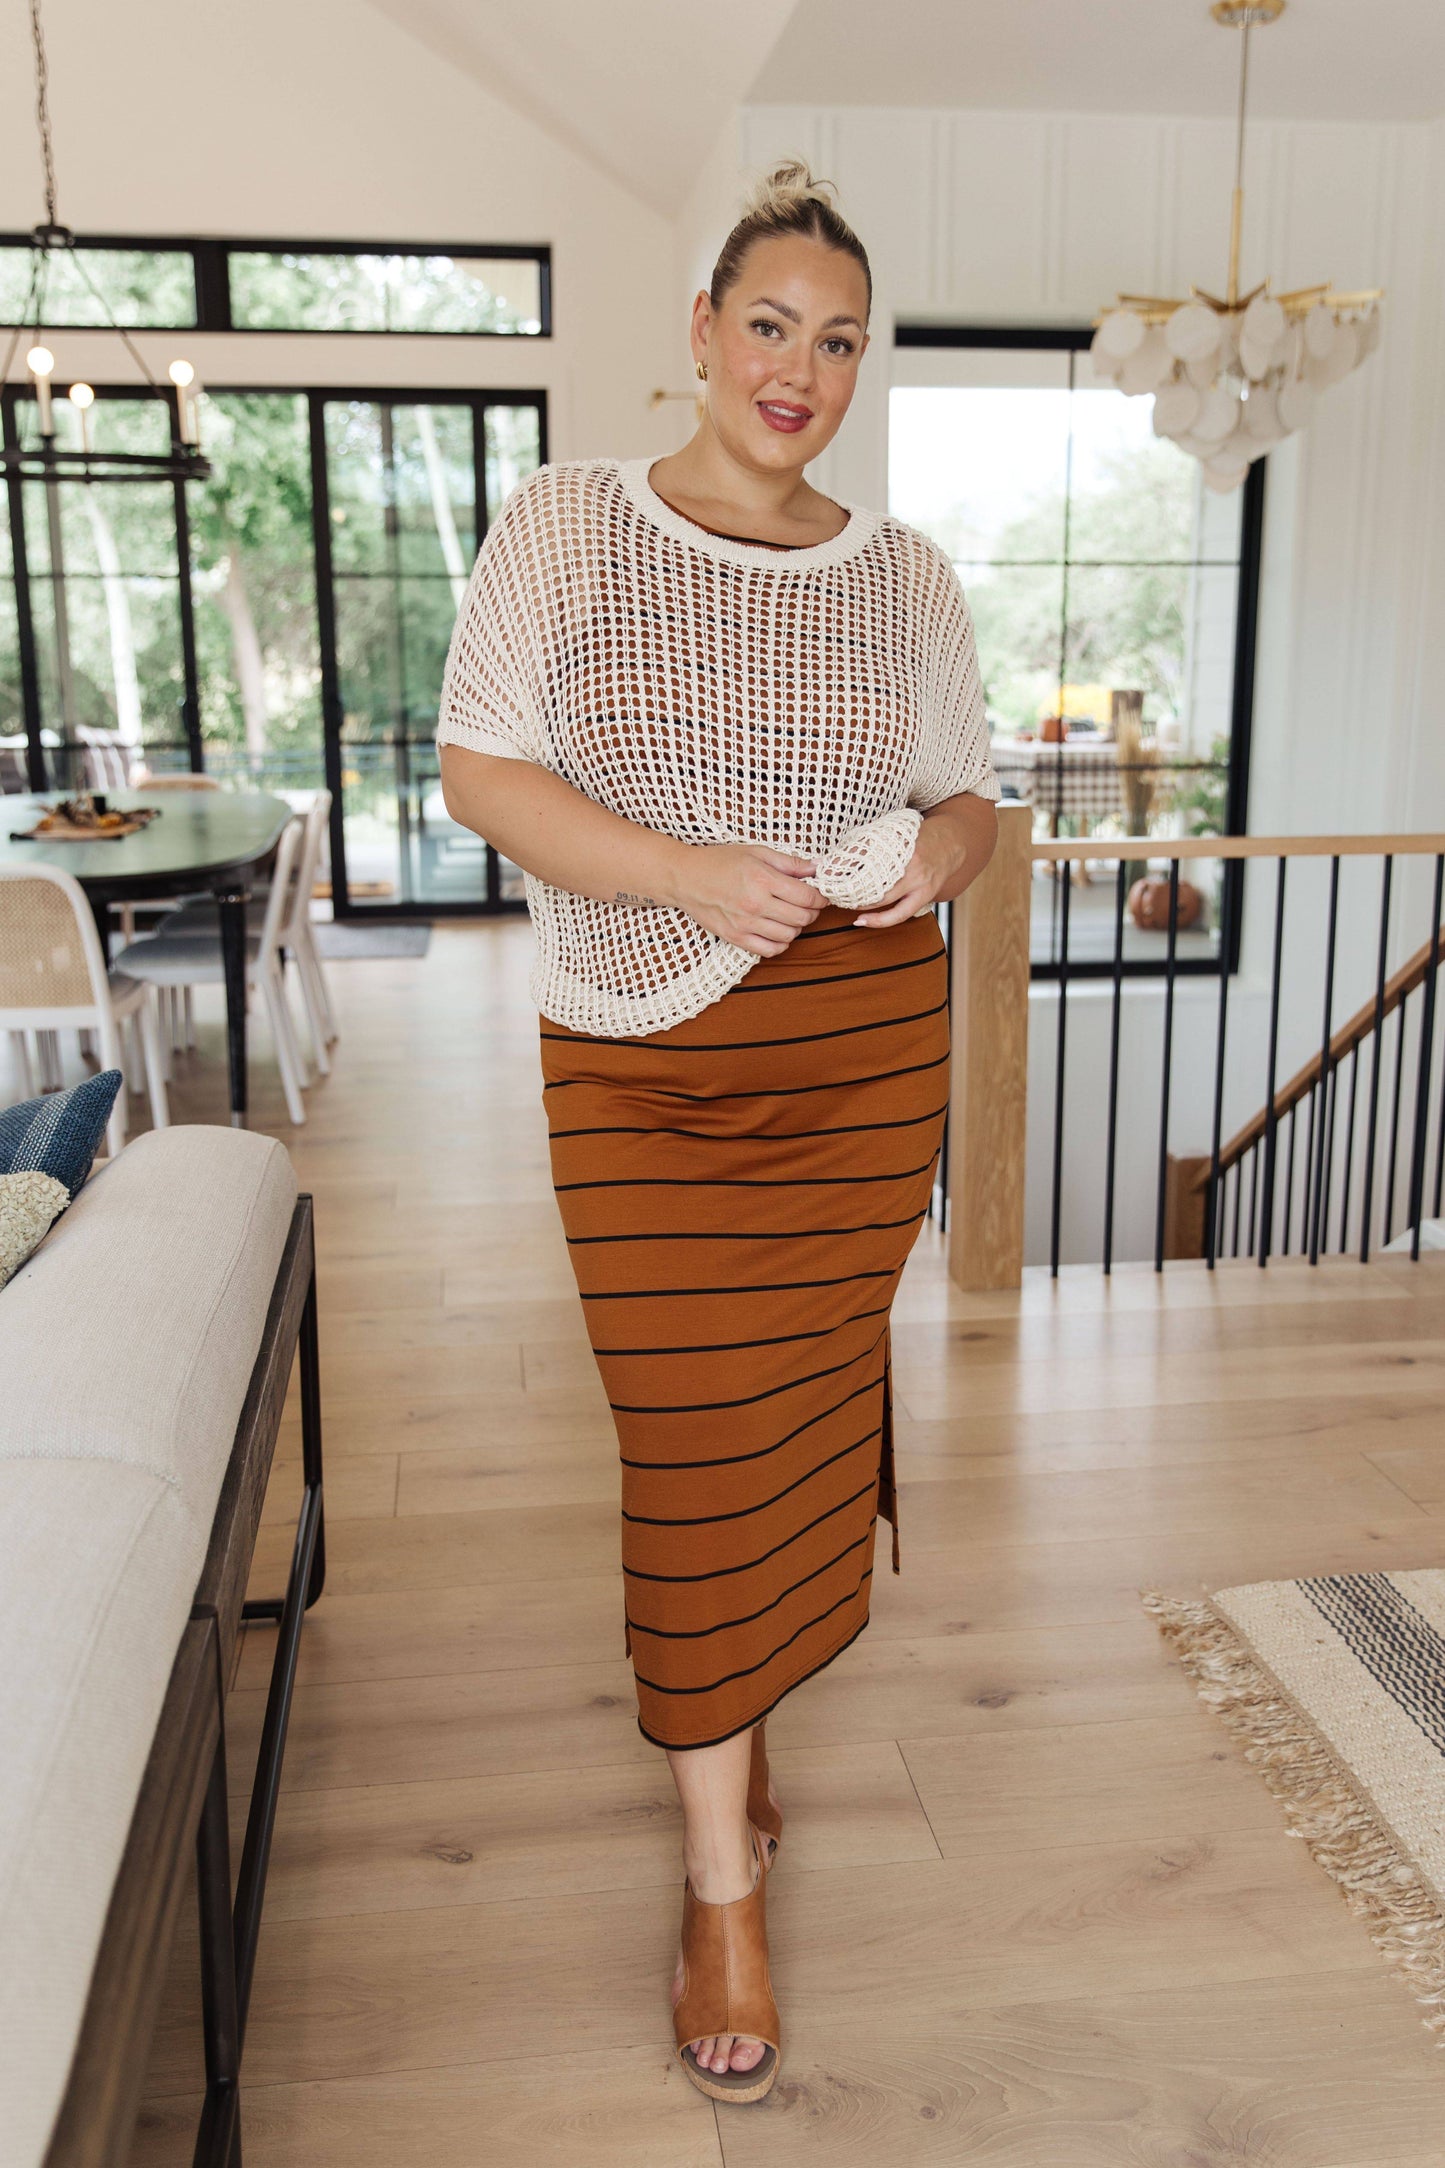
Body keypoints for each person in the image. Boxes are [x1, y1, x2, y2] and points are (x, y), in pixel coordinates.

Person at [437, 157, 1000, 2106]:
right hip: (638, 1050)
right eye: (768, 324)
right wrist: (682, 871)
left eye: (837, 341)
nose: (798, 369)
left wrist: (936, 856)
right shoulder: (571, 523)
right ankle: (719, 1878)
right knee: (691, 1441)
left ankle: (729, 1752)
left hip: (856, 1051)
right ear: (698, 329)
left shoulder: (906, 574)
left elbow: (970, 799)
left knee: (792, 1419)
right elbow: (478, 768)